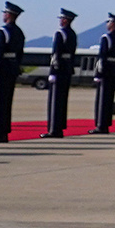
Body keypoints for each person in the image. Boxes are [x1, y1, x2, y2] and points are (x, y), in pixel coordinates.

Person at [0, 2, 25, 142]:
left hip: (2, 70)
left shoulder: (3, 31)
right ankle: (4, 131)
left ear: (8, 15)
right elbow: (20, 54)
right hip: (12, 69)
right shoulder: (19, 32)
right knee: (7, 102)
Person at [44, 8, 79, 137]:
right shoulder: (72, 34)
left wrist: (53, 71)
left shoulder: (60, 34)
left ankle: (54, 129)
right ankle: (59, 127)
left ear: (65, 20)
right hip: (67, 69)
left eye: (61, 18)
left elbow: (56, 54)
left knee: (55, 101)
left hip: (59, 70)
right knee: (62, 100)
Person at [92, 13, 115, 133]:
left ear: (112, 24)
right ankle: (105, 123)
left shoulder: (106, 38)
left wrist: (98, 74)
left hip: (105, 71)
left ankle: (100, 125)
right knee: (109, 98)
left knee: (102, 99)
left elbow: (102, 57)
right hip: (113, 71)